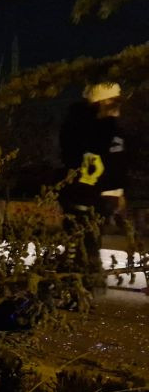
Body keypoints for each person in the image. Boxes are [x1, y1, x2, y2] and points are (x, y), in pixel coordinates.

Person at [59, 81, 126, 275]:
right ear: (101, 103)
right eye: (113, 101)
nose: (118, 106)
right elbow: (110, 163)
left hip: (88, 194)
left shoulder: (95, 126)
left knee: (85, 241)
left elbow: (115, 163)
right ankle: (78, 282)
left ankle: (78, 279)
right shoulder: (99, 128)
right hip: (87, 194)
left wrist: (117, 191)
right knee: (84, 242)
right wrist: (113, 191)